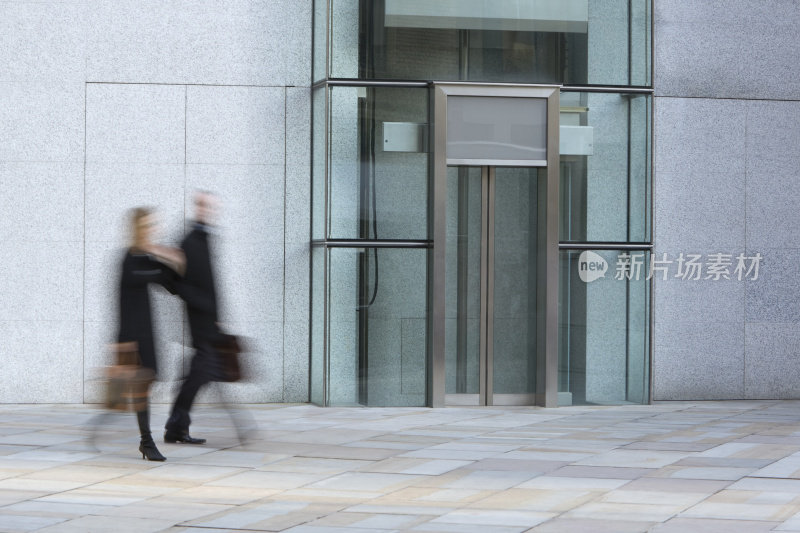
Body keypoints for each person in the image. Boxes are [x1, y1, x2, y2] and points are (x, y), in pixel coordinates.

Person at [117, 207, 184, 461]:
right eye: (145, 226)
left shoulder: (147, 259)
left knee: (144, 385)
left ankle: (144, 439)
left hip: (147, 334)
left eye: (152, 226)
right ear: (136, 229)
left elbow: (173, 284)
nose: (150, 230)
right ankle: (147, 441)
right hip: (131, 338)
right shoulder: (127, 260)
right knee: (140, 388)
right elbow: (120, 303)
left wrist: (163, 253)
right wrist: (121, 343)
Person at [164, 191, 224, 444]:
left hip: (209, 319)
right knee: (201, 373)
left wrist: (218, 315)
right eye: (202, 205)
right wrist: (198, 302)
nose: (206, 210)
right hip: (200, 319)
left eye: (209, 206)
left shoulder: (206, 238)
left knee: (200, 373)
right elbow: (172, 281)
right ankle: (175, 423)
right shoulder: (189, 241)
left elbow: (213, 283)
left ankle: (177, 427)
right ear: (196, 208)